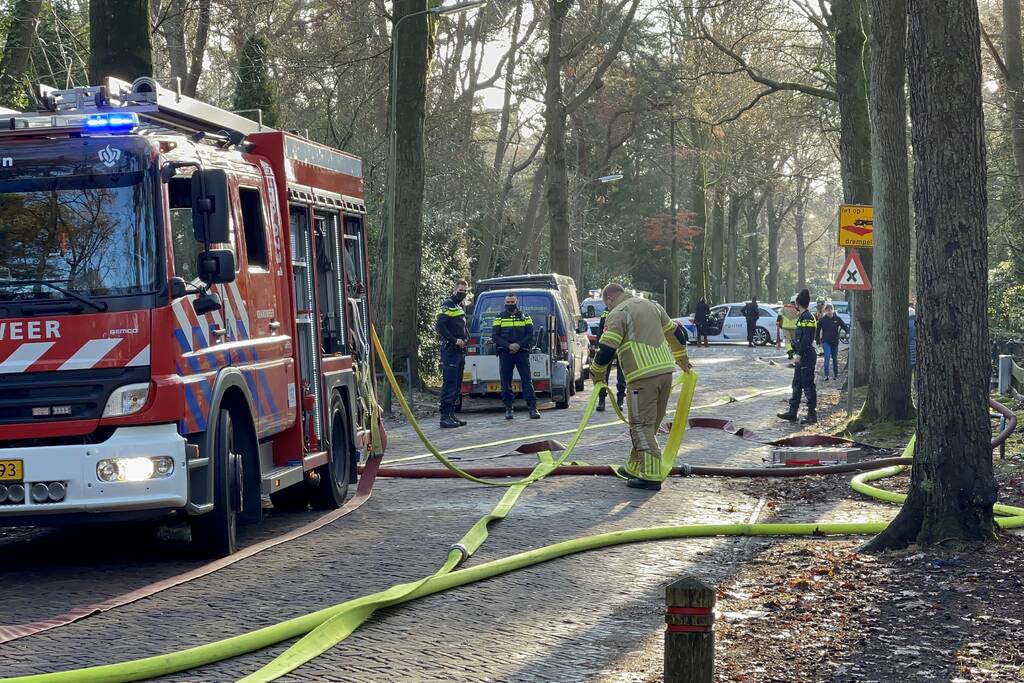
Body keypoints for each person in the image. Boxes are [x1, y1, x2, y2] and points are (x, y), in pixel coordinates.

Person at [591, 283, 692, 491]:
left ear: (609, 299)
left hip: (641, 376)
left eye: (605, 304)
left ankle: (652, 475)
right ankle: (634, 466)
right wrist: (682, 359)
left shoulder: (618, 312)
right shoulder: (653, 305)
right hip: (665, 373)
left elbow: (605, 350)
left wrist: (597, 375)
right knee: (651, 423)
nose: (606, 308)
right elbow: (676, 333)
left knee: (641, 426)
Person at [491, 294, 540, 420]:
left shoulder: (525, 317)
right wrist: (508, 346)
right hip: (505, 353)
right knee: (505, 381)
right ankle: (508, 408)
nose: (510, 304)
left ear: (516, 302)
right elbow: (495, 336)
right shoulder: (499, 317)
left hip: (522, 352)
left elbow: (530, 334)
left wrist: (518, 345)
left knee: (527, 380)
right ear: (504, 303)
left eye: (512, 301)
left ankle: (532, 408)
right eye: (508, 302)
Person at [777, 289, 818, 425]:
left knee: (808, 385)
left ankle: (812, 415)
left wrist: (799, 354)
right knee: (797, 384)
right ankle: (792, 412)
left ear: (798, 304)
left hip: (806, 355)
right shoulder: (803, 316)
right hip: (802, 354)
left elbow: (806, 338)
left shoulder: (807, 317)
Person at [436, 279, 470, 429]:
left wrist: (466, 338)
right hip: (450, 350)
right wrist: (454, 340)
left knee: (457, 384)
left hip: (460, 350)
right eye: (460, 290)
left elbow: (463, 326)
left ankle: (451, 414)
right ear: (454, 289)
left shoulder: (459, 305)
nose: (462, 293)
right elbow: (440, 326)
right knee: (449, 383)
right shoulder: (447, 304)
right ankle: (444, 416)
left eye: (465, 291)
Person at [596, 307, 626, 412]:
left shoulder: (625, 308)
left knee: (621, 375)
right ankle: (601, 400)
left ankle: (620, 400)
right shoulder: (606, 310)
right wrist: (598, 346)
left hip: (621, 346)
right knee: (603, 374)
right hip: (607, 345)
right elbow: (601, 329)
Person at [815, 303, 848, 381]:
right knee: (826, 357)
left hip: (835, 342)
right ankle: (826, 375)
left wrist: (847, 331)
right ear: (825, 311)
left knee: (834, 358)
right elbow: (817, 331)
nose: (829, 312)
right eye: (827, 310)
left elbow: (844, 326)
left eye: (830, 310)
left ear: (833, 310)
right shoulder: (822, 320)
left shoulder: (837, 319)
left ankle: (836, 374)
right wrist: (817, 341)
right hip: (826, 341)